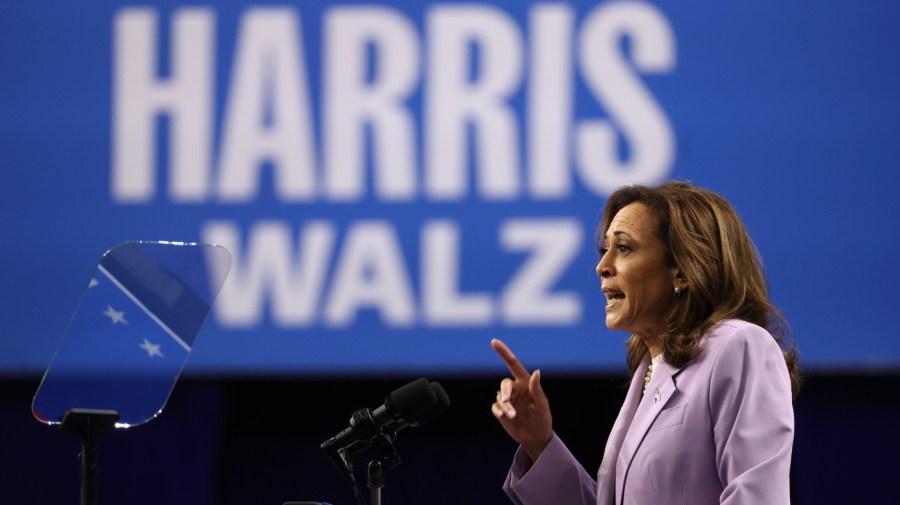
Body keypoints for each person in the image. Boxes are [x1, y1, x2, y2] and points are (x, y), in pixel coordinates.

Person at [490, 181, 800, 505]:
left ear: (682, 269)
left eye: (623, 248)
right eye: (604, 249)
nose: (602, 267)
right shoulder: (649, 373)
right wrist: (540, 444)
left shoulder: (739, 347)